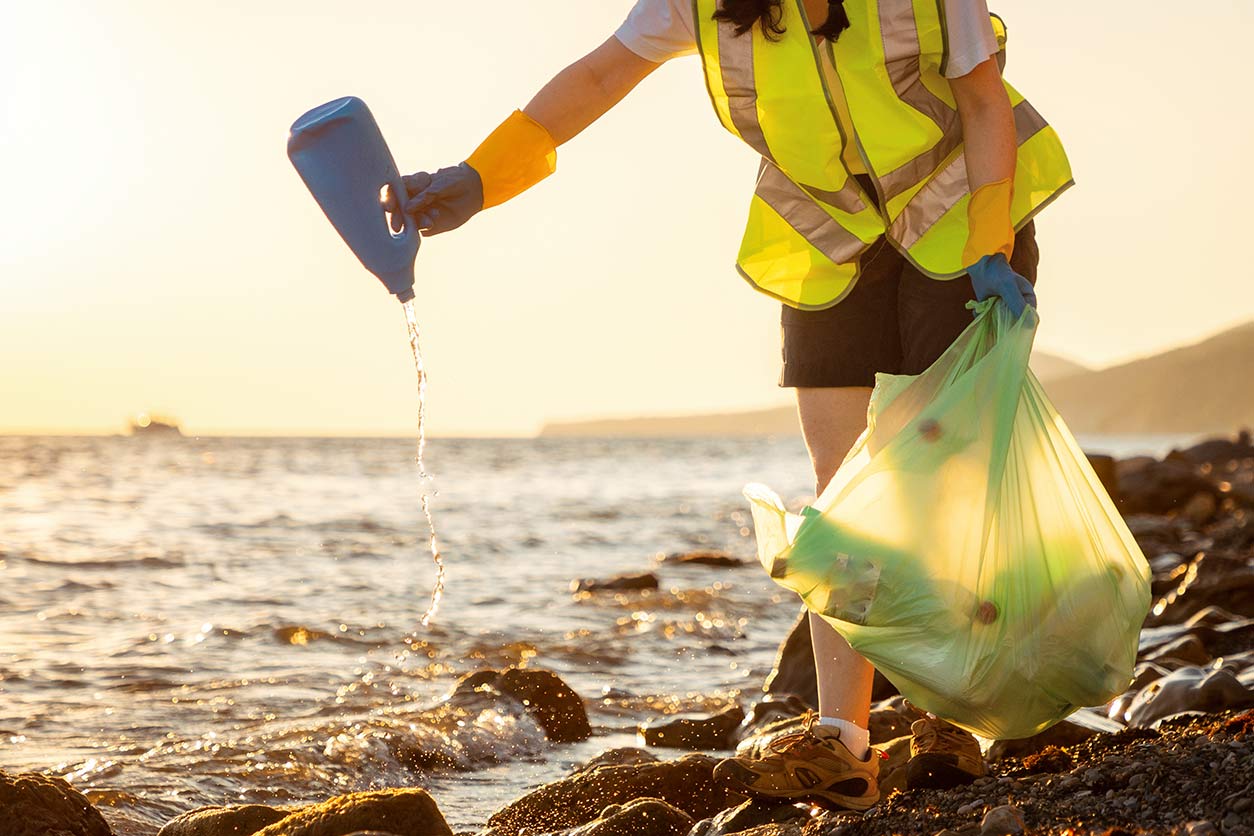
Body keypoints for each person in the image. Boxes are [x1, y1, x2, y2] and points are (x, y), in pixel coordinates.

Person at [385, 0, 1072, 812]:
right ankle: (841, 744)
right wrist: (481, 174)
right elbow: (604, 72)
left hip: (962, 211)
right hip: (832, 233)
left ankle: (949, 716)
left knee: (940, 465)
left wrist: (994, 246)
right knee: (840, 477)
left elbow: (983, 100)